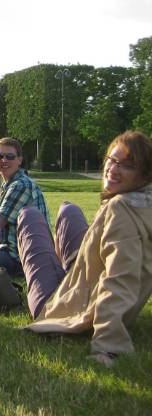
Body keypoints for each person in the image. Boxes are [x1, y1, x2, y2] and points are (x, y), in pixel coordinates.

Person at [18, 130, 152, 367]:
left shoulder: (121, 208)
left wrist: (109, 345)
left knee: (29, 216)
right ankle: (64, 269)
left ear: (143, 174)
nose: (113, 169)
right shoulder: (142, 204)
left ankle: (59, 272)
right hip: (84, 286)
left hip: (75, 312)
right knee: (69, 210)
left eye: (127, 166)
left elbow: (120, 278)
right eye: (112, 160)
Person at [0, 137, 49, 276]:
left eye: (10, 156)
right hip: (9, 252)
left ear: (19, 160)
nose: (4, 160)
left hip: (18, 258)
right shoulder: (7, 185)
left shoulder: (21, 185)